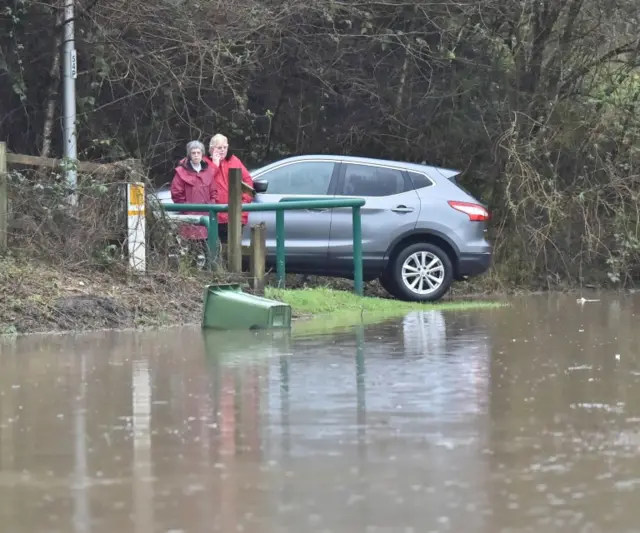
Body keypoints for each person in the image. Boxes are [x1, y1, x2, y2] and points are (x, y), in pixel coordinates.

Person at [170, 140, 216, 266]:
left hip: (206, 215)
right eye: (193, 152)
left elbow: (214, 191)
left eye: (198, 152)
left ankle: (209, 271)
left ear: (202, 154)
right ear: (189, 155)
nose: (196, 155)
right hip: (189, 217)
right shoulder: (181, 172)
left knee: (207, 248)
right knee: (190, 248)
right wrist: (187, 209)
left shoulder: (209, 171)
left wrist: (211, 204)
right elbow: (176, 194)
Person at [204, 134, 254, 243]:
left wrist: (244, 201)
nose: (222, 150)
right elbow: (204, 183)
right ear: (211, 149)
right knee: (214, 249)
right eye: (219, 148)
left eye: (224, 147)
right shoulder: (204, 163)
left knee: (233, 250)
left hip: (236, 214)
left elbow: (248, 182)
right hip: (215, 215)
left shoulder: (234, 160)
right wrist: (215, 166)